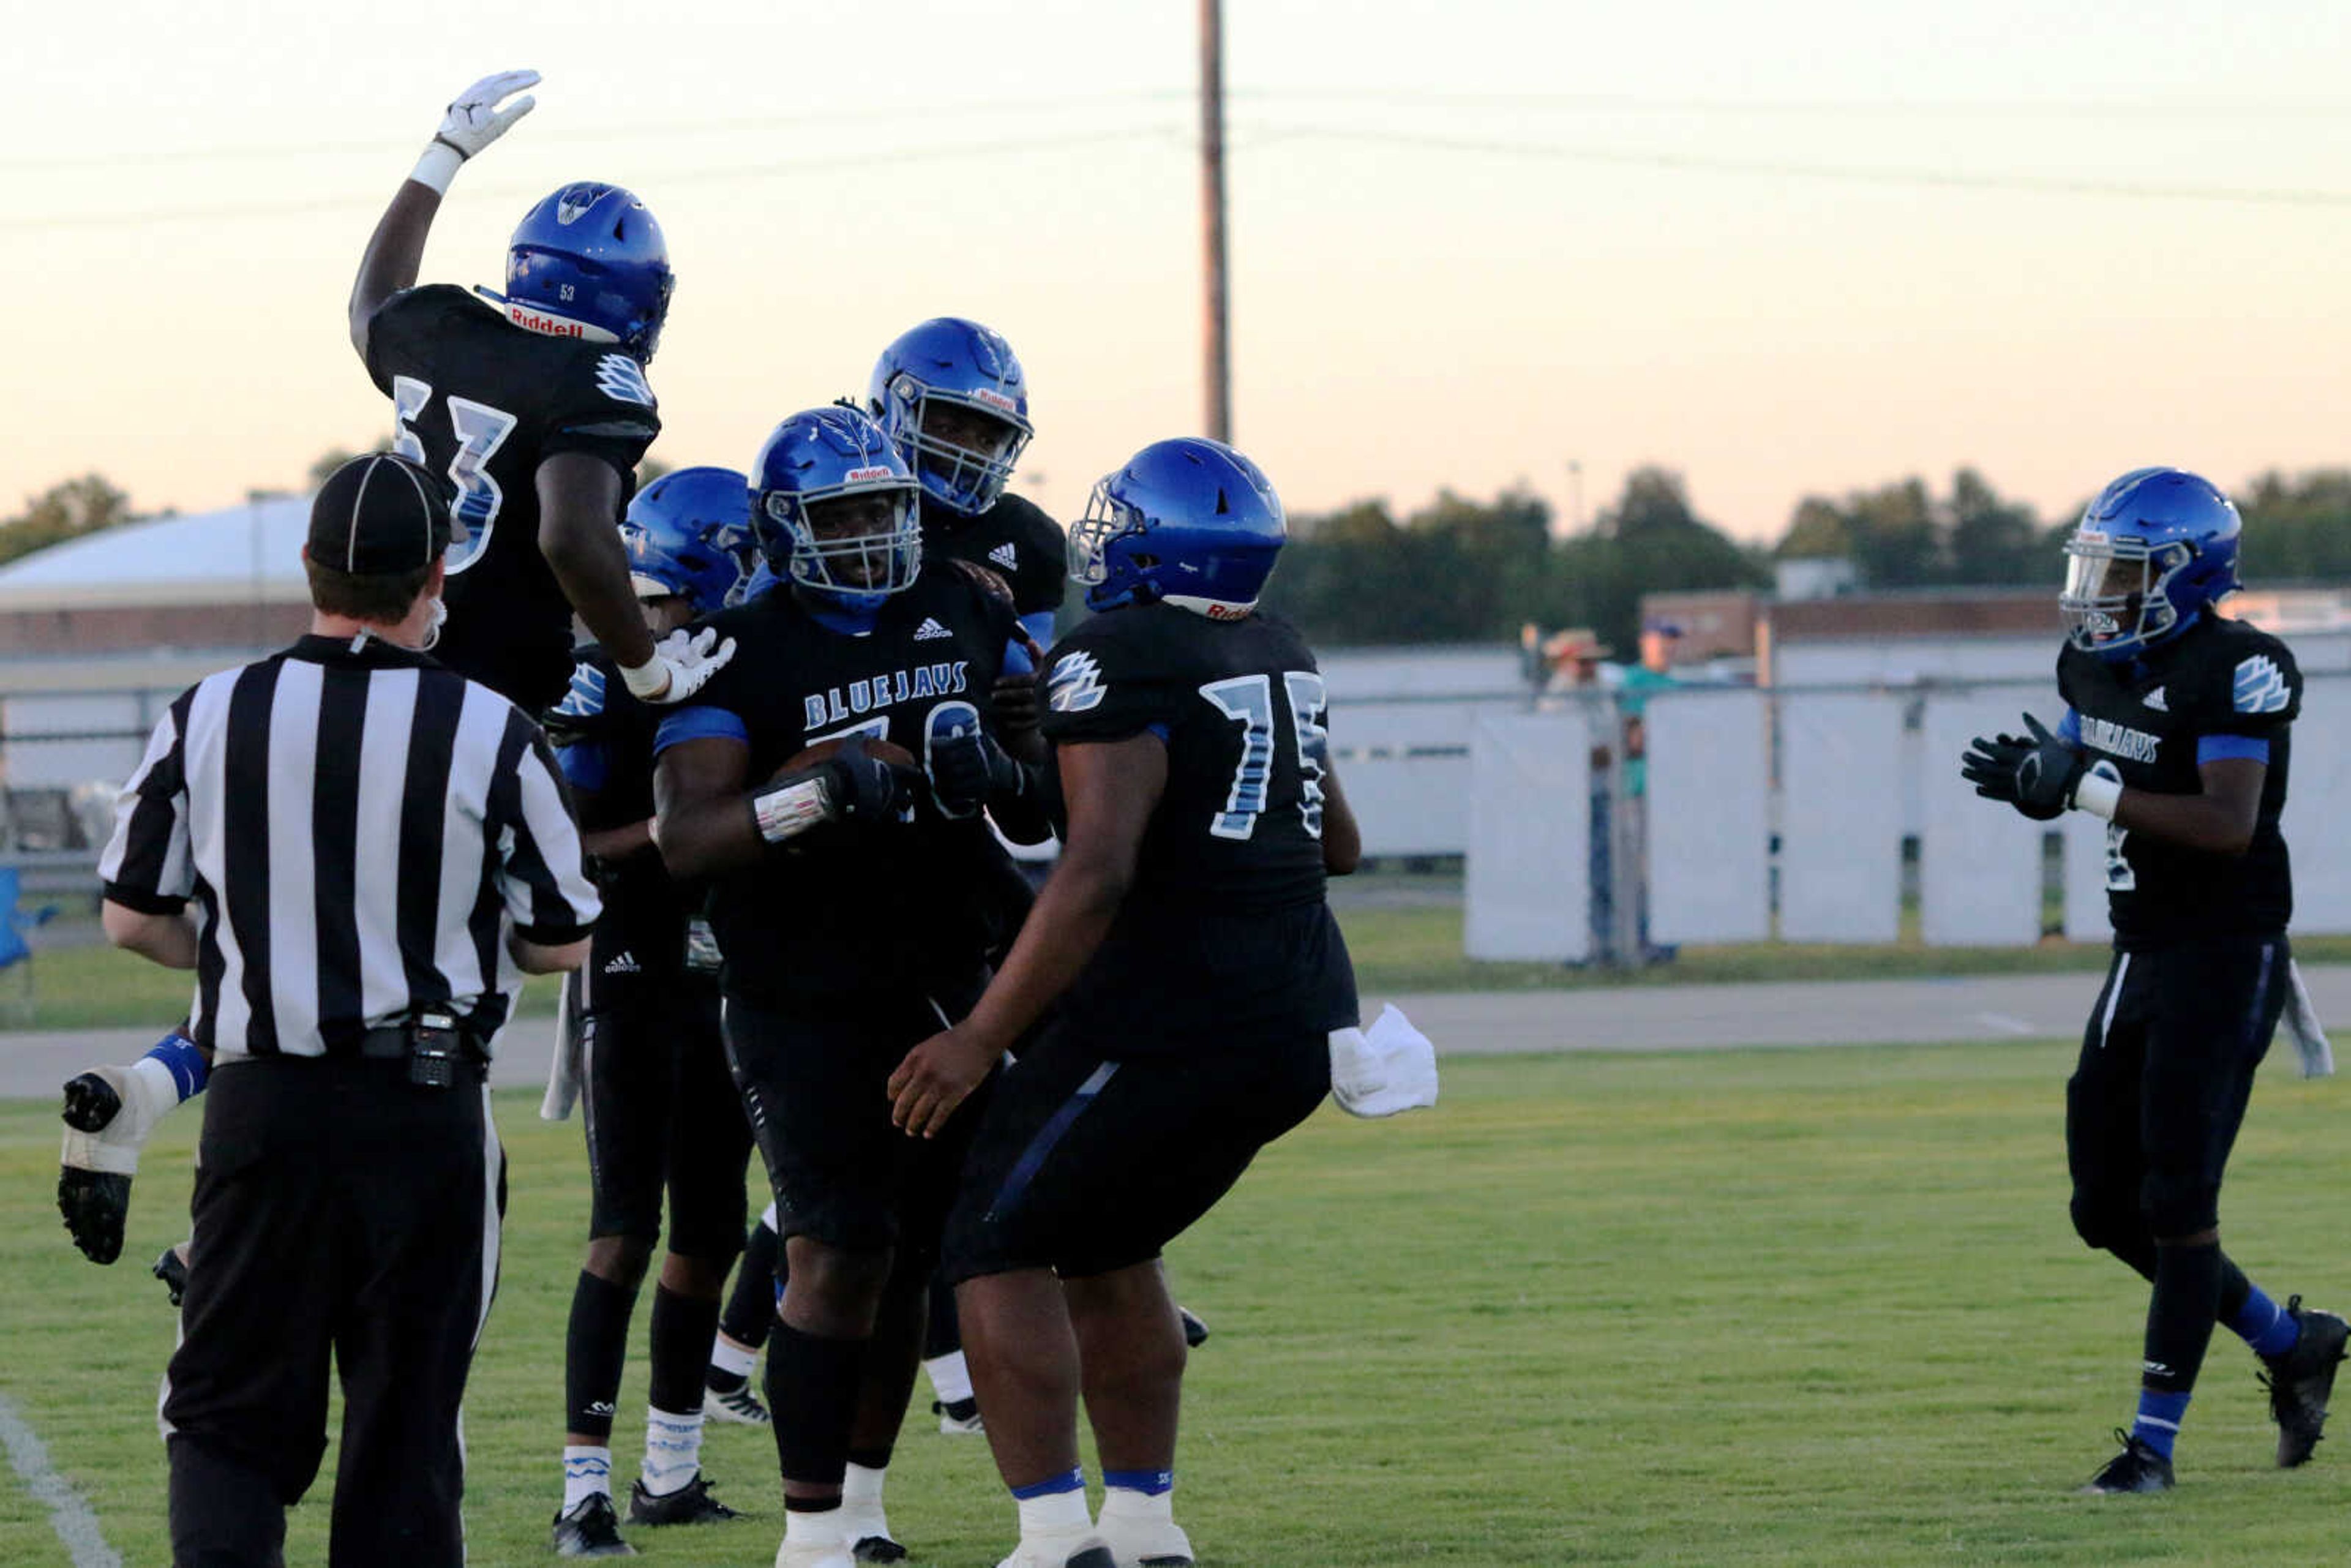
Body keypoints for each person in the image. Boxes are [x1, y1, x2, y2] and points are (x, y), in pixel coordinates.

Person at [73, 453, 600, 1566]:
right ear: (436, 576)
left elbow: (131, 916)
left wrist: (248, 954)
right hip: (424, 1112)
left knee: (225, 1419)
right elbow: (561, 938)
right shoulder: (491, 728)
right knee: (404, 1437)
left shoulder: (212, 711)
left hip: (264, 1106)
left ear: (312, 566)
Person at [886, 437, 1362, 1568]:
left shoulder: (1119, 649)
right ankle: (1146, 1526)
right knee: (1109, 1240)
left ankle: (1051, 1538)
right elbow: (1339, 843)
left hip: (1172, 1018)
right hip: (1298, 1021)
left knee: (991, 1241)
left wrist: (980, 1035)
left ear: (1157, 545)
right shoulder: (1279, 646)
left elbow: (1093, 870)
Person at [651, 406, 1052, 1568]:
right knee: (835, 1252)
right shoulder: (742, 644)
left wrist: (1019, 748)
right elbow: (688, 839)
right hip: (800, 986)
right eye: (846, 513)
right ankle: (810, 1533)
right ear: (786, 527)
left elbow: (1031, 807)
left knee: (915, 1258)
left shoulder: (968, 605)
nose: (874, 532)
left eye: (886, 507)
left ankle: (865, 1510)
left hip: (946, 971)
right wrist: (816, 792)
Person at [1960, 465, 2345, 1494]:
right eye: (2094, 567)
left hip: (2226, 950)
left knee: (2178, 1197)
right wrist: (2043, 783)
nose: (2099, 592)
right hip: (2143, 949)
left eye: (2122, 571)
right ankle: (2288, 1337)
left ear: (2186, 572)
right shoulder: (2091, 665)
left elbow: (2226, 824)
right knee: (2104, 1207)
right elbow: (2092, 774)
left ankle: (2151, 1451)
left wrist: (2079, 788)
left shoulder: (2242, 664)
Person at [346, 69, 730, 713]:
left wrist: (443, 154)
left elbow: (370, 304)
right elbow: (571, 535)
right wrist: (647, 671)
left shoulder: (441, 328)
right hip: (500, 689)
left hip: (392, 668)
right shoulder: (597, 379)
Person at [542, 468, 763, 1555]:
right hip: (635, 966)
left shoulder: (756, 659)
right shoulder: (610, 669)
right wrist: (708, 832)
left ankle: (668, 1473)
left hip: (731, 972)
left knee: (713, 1230)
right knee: (623, 1226)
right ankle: (582, 1488)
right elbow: (574, 849)